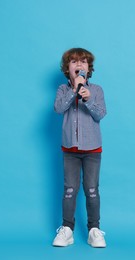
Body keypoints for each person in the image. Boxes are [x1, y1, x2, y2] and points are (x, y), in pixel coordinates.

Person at [52, 48, 107, 248]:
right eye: (74, 62)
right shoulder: (63, 90)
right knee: (70, 190)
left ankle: (94, 230)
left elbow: (100, 114)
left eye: (83, 62)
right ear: (68, 68)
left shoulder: (97, 90)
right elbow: (58, 109)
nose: (79, 65)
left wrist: (88, 98)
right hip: (70, 150)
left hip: (92, 150)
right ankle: (67, 229)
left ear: (88, 68)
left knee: (91, 190)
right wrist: (74, 90)